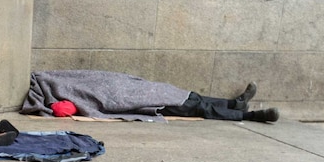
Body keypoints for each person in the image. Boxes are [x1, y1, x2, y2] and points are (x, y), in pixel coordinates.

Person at [23, 70, 280, 122]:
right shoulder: (59, 100)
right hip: (138, 100)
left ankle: (235, 103)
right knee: (196, 107)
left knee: (190, 96)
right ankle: (249, 115)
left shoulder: (54, 80)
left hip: (132, 88)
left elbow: (92, 78)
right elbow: (62, 110)